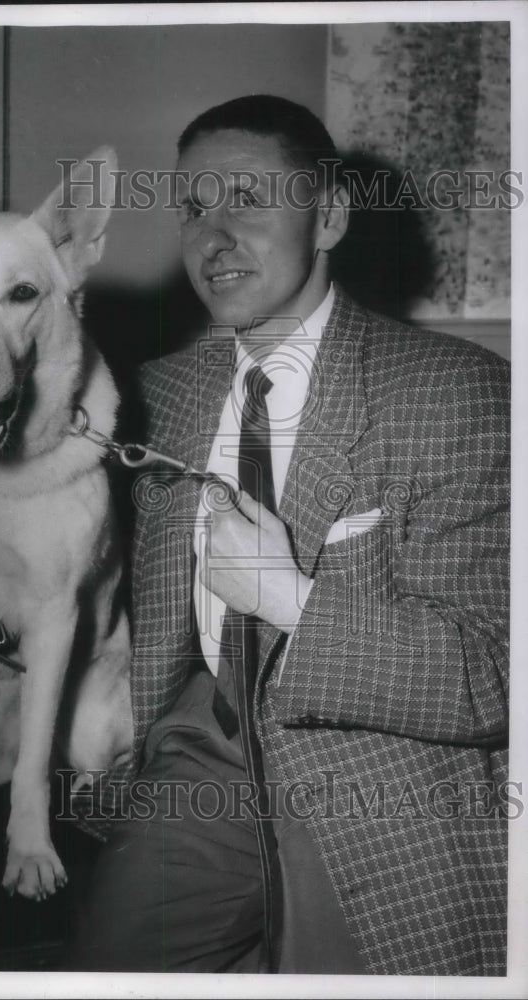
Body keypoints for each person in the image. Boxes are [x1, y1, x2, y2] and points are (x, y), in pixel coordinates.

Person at [68, 95, 510, 976]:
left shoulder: (456, 391)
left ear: (331, 217)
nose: (213, 237)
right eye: (193, 208)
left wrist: (289, 598)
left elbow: (492, 674)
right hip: (204, 749)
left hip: (378, 769)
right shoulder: (157, 394)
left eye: (247, 199)